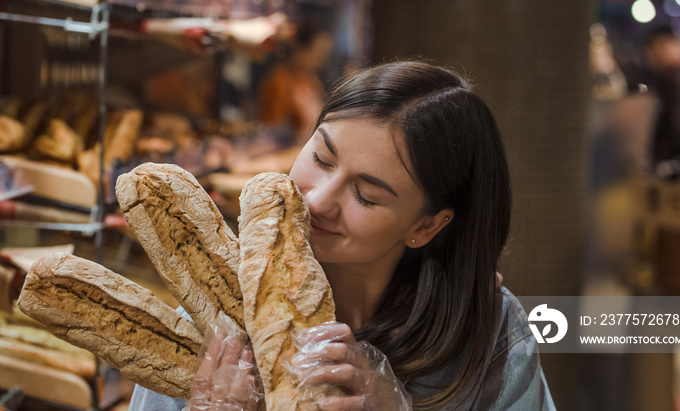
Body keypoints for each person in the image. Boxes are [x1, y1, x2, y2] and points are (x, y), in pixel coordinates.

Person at [129, 60, 555, 410]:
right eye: (321, 157)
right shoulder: (217, 311)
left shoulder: (490, 331)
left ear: (426, 225)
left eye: (366, 195)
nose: (317, 200)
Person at [646, 26, 680, 168]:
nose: (652, 58)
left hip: (678, 166)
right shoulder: (672, 78)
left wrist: (667, 159)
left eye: (655, 52)